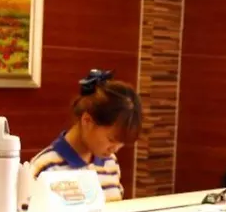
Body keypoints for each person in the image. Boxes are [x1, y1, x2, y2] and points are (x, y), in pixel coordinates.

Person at [30, 69, 142, 202]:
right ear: (87, 121)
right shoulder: (45, 167)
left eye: (121, 142)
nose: (115, 149)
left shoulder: (110, 163)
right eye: (111, 139)